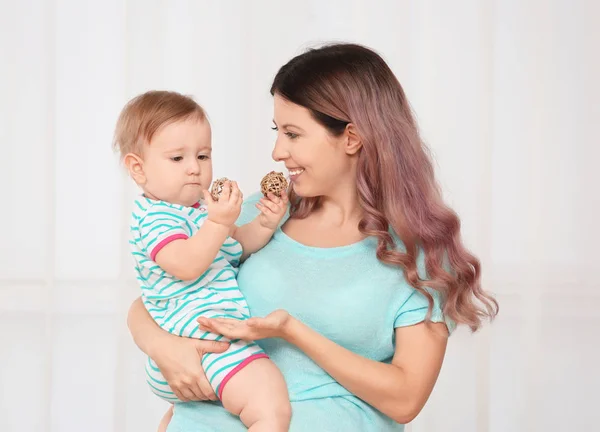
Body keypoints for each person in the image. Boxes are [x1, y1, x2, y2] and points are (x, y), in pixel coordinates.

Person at [127, 43, 498, 432]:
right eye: (277, 131)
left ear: (351, 138)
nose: (276, 151)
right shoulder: (263, 213)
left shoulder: (418, 257)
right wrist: (162, 346)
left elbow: (405, 399)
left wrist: (291, 330)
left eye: (292, 134)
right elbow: (161, 291)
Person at [115, 90, 291, 431]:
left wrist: (264, 223)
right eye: (177, 159)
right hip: (199, 342)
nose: (194, 169)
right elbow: (186, 264)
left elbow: (237, 246)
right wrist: (219, 223)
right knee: (270, 406)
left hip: (200, 347)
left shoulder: (198, 212)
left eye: (203, 155)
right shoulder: (155, 218)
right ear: (138, 169)